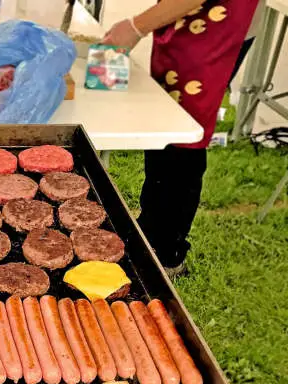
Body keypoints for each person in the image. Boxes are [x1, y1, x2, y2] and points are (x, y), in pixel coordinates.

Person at [103, 0, 260, 275]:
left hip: (214, 23)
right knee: (165, 130)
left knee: (182, 138)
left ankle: (165, 254)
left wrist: (135, 27)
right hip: (187, 23)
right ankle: (149, 232)